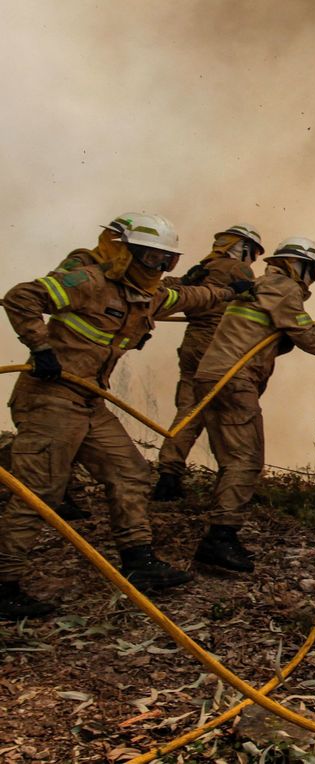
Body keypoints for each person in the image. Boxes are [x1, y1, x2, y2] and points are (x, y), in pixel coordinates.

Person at [0, 213, 250, 619]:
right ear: (124, 251)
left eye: (166, 261)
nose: (158, 268)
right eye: (151, 257)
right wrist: (41, 348)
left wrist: (227, 291)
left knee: (131, 473)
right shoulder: (89, 282)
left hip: (89, 402)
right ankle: (4, 585)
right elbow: (21, 297)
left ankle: (139, 561)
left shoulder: (147, 295)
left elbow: (188, 297)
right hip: (51, 398)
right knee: (37, 494)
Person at [190, 237, 315, 573]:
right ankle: (218, 541)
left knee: (233, 460)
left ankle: (221, 531)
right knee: (246, 460)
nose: (312, 279)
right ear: (296, 264)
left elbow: (275, 336)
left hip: (215, 377)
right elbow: (310, 338)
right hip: (234, 381)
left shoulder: (261, 287)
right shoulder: (282, 288)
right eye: (312, 270)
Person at [151, 224, 264, 501]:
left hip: (192, 342)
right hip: (218, 344)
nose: (254, 261)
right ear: (244, 248)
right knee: (231, 413)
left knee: (188, 410)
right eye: (254, 253)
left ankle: (168, 475)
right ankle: (236, 483)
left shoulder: (202, 269)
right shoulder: (237, 270)